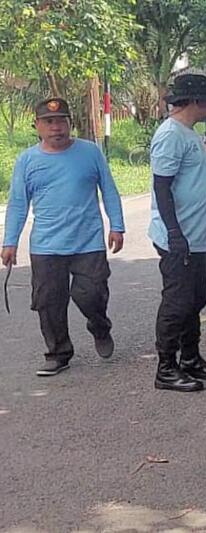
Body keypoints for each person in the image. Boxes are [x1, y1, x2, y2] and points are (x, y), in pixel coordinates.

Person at [1, 98, 124, 377]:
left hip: (88, 242)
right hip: (46, 245)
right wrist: (10, 242)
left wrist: (117, 225)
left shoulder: (90, 152)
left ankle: (99, 325)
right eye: (49, 122)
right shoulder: (27, 160)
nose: (56, 127)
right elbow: (19, 203)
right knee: (48, 301)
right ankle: (58, 353)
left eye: (61, 121)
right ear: (37, 126)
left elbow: (109, 190)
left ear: (70, 123)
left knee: (90, 293)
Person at [148, 74, 206, 393]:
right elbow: (161, 186)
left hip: (196, 237)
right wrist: (174, 234)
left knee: (196, 298)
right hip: (180, 237)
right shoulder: (170, 135)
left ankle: (191, 358)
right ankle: (166, 368)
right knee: (178, 303)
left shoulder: (188, 133)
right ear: (195, 102)